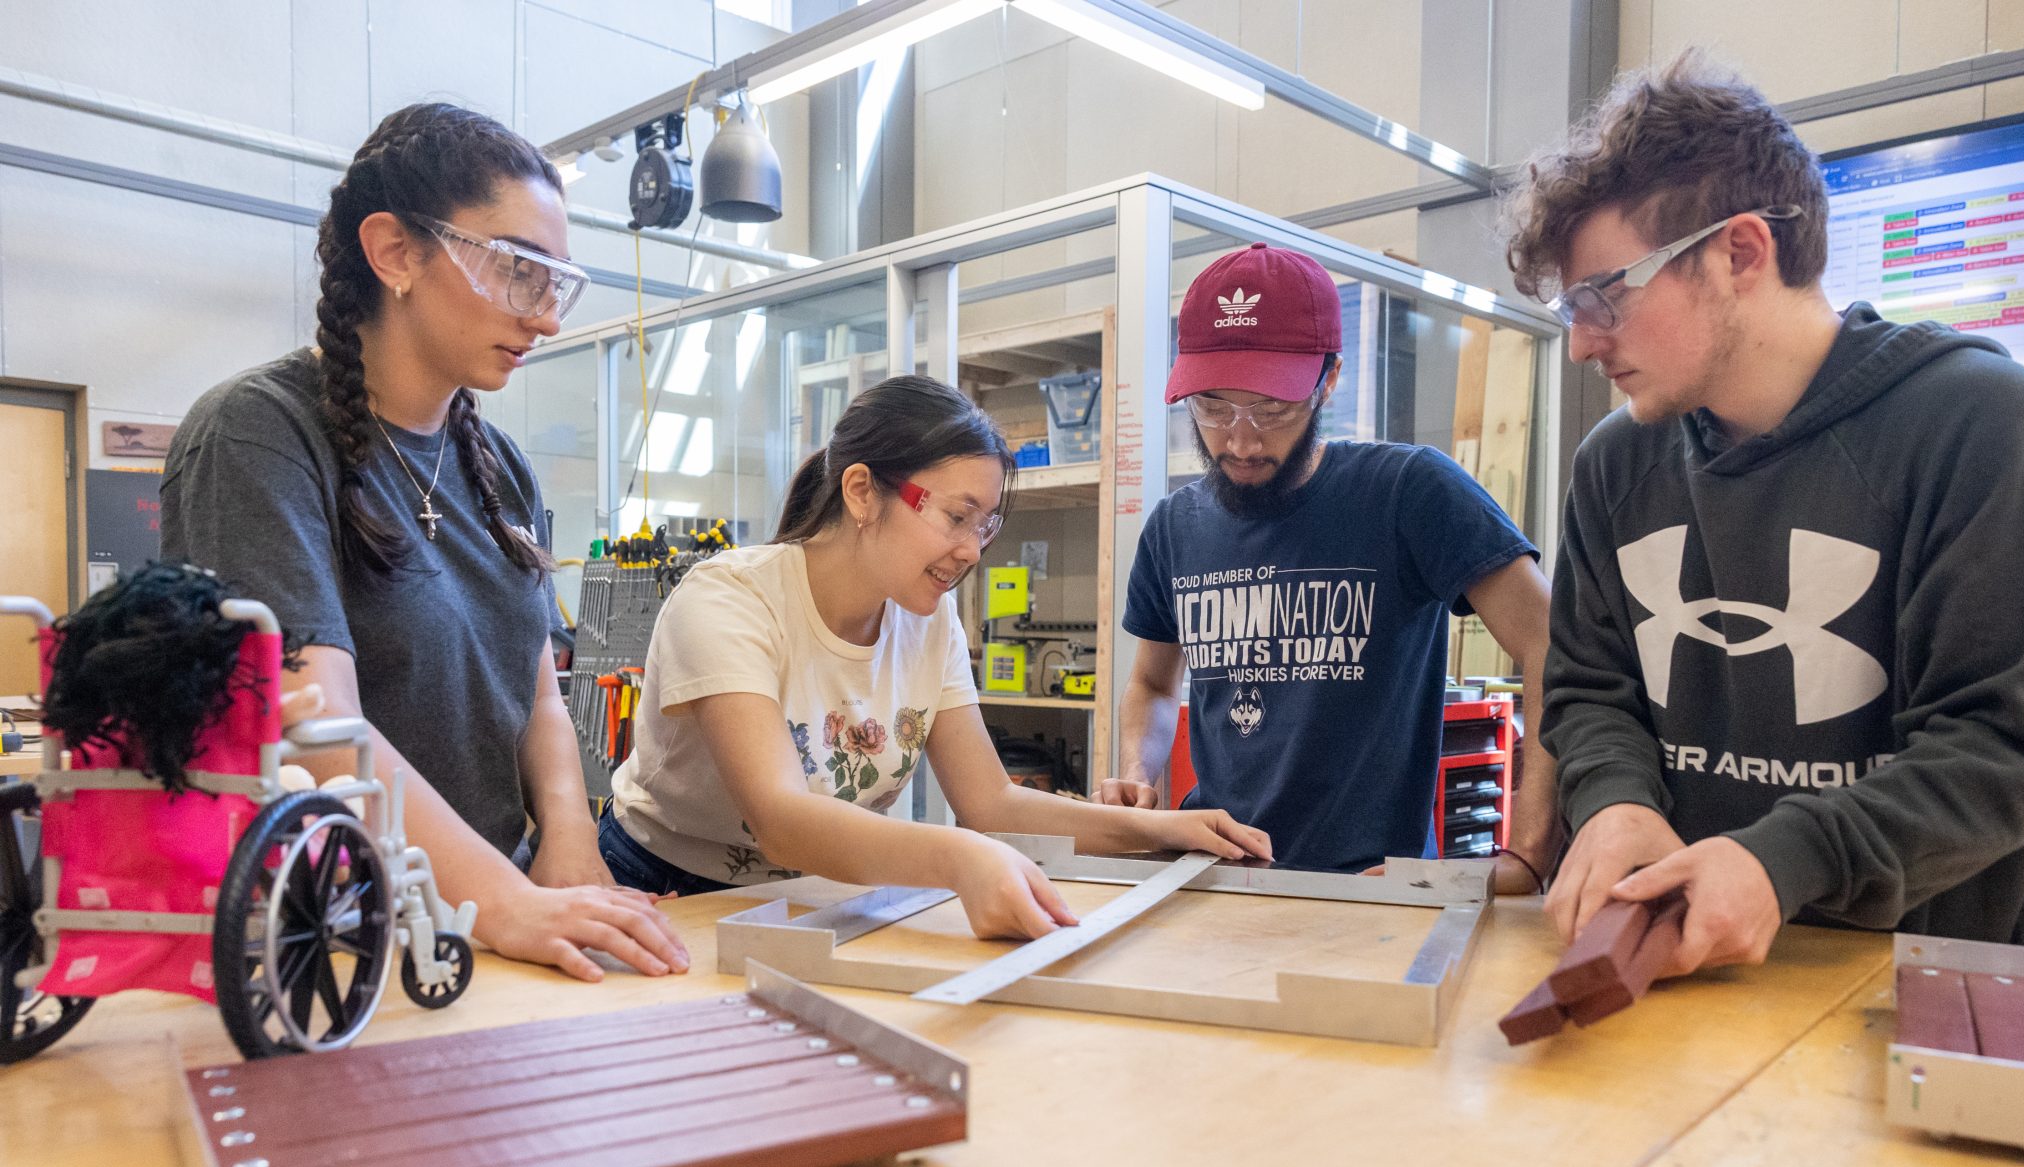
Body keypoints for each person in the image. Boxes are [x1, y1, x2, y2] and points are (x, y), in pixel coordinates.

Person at [1503, 53, 2024, 974]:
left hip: (1927, 994)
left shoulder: (1985, 428)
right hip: (1682, 979)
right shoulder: (1616, 464)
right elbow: (1595, 691)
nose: (1582, 343)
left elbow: (2001, 748)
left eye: (1604, 295)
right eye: (1571, 308)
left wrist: (1783, 861)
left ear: (1741, 251)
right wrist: (1618, 799)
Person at [161, 103, 688, 984]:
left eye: (555, 282)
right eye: (519, 270)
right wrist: (506, 901)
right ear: (396, 252)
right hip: (333, 936)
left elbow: (537, 692)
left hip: (489, 925)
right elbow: (315, 725)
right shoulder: (259, 433)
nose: (545, 317)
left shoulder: (498, 464)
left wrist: (566, 841)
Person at [601, 374, 1271, 939]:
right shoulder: (729, 601)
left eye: (985, 526)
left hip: (822, 897)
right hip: (667, 895)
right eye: (956, 517)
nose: (973, 551)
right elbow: (780, 818)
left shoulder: (928, 619)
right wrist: (959, 857)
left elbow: (992, 802)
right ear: (862, 491)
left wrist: (1158, 829)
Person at [1096, 242, 1560, 890]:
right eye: (1213, 407)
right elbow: (1150, 683)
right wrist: (1138, 774)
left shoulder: (1407, 492)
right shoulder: (1176, 527)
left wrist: (1530, 853)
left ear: (1330, 380)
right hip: (1214, 878)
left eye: (1272, 409)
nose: (1240, 439)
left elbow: (1551, 646)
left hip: (1371, 889)